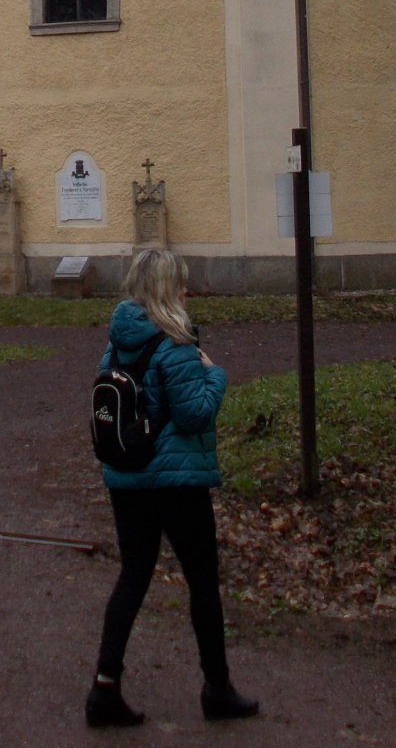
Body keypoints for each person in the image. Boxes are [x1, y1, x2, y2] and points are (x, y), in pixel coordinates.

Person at [86, 247, 259, 728]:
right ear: (165, 289)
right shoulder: (176, 342)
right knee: (202, 583)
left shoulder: (118, 341)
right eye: (179, 283)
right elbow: (195, 413)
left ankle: (104, 687)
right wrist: (215, 373)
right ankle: (217, 688)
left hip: (127, 479)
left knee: (133, 577)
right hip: (177, 483)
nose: (186, 290)